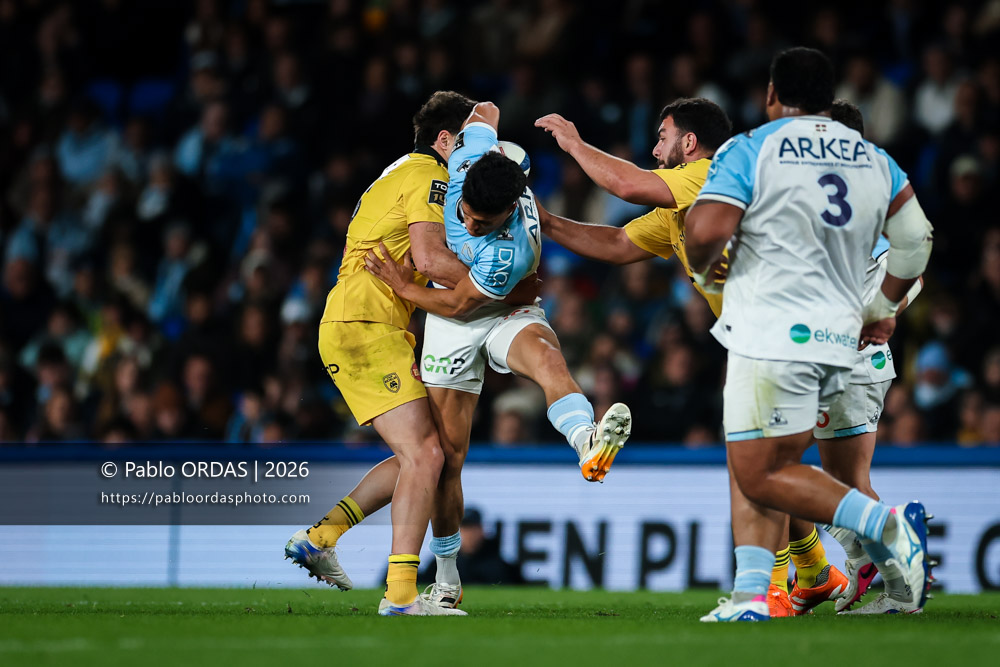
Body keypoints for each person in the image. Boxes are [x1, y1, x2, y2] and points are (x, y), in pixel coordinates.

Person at [684, 48, 934, 622]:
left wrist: (706, 270)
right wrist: (883, 306)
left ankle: (887, 527)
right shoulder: (875, 160)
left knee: (758, 470)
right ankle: (752, 598)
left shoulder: (754, 147)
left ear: (772, 93)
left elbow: (705, 231)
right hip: (838, 338)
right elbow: (917, 238)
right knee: (767, 462)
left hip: (773, 327)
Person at [364, 101, 632, 609]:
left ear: (510, 210)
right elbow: (486, 109)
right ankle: (447, 580)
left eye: (482, 222)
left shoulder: (509, 250)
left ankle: (587, 443)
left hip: (491, 306)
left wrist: (404, 286)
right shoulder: (472, 158)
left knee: (548, 360)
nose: (469, 224)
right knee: (449, 460)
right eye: (465, 212)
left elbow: (458, 303)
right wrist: (479, 121)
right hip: (454, 324)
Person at [283, 91, 480, 617]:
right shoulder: (430, 176)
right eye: (471, 139)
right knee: (428, 456)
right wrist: (496, 283)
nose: (479, 151)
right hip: (365, 323)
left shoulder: (397, 172)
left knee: (424, 454)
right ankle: (400, 595)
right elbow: (430, 258)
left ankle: (322, 537)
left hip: (363, 323)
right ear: (445, 140)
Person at [767, 100, 927, 618]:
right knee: (816, 478)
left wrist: (881, 312)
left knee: (821, 478)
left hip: (850, 360)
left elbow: (913, 261)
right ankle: (865, 561)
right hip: (829, 357)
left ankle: (899, 567)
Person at [533, 98, 732, 317]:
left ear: (689, 142)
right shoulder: (676, 210)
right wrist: (546, 222)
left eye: (663, 139)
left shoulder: (710, 175)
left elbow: (626, 185)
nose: (655, 151)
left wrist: (574, 145)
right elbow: (618, 244)